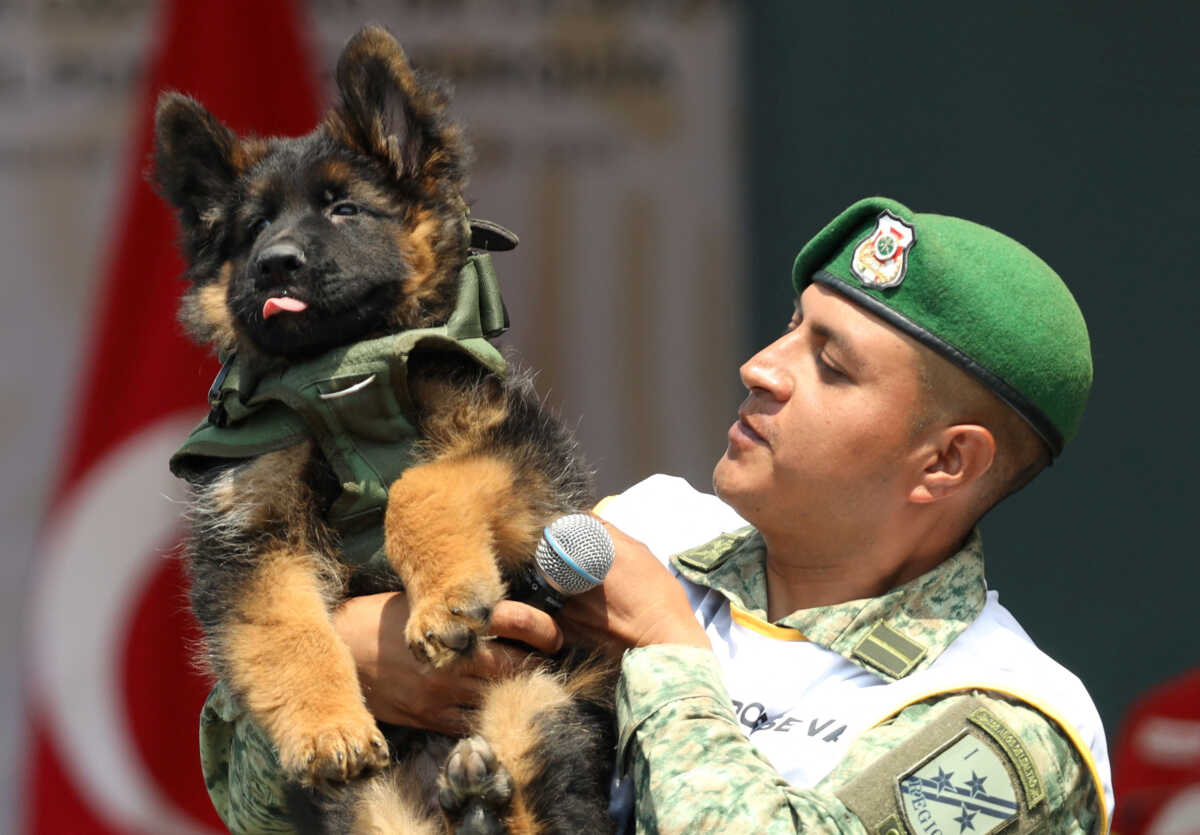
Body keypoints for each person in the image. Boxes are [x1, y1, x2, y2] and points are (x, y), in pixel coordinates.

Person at [200, 196, 1112, 833]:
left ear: (947, 460)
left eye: (831, 364)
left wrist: (672, 654)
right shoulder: (644, 534)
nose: (764, 365)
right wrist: (357, 661)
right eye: (791, 325)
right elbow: (251, 806)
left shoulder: (1006, 716)